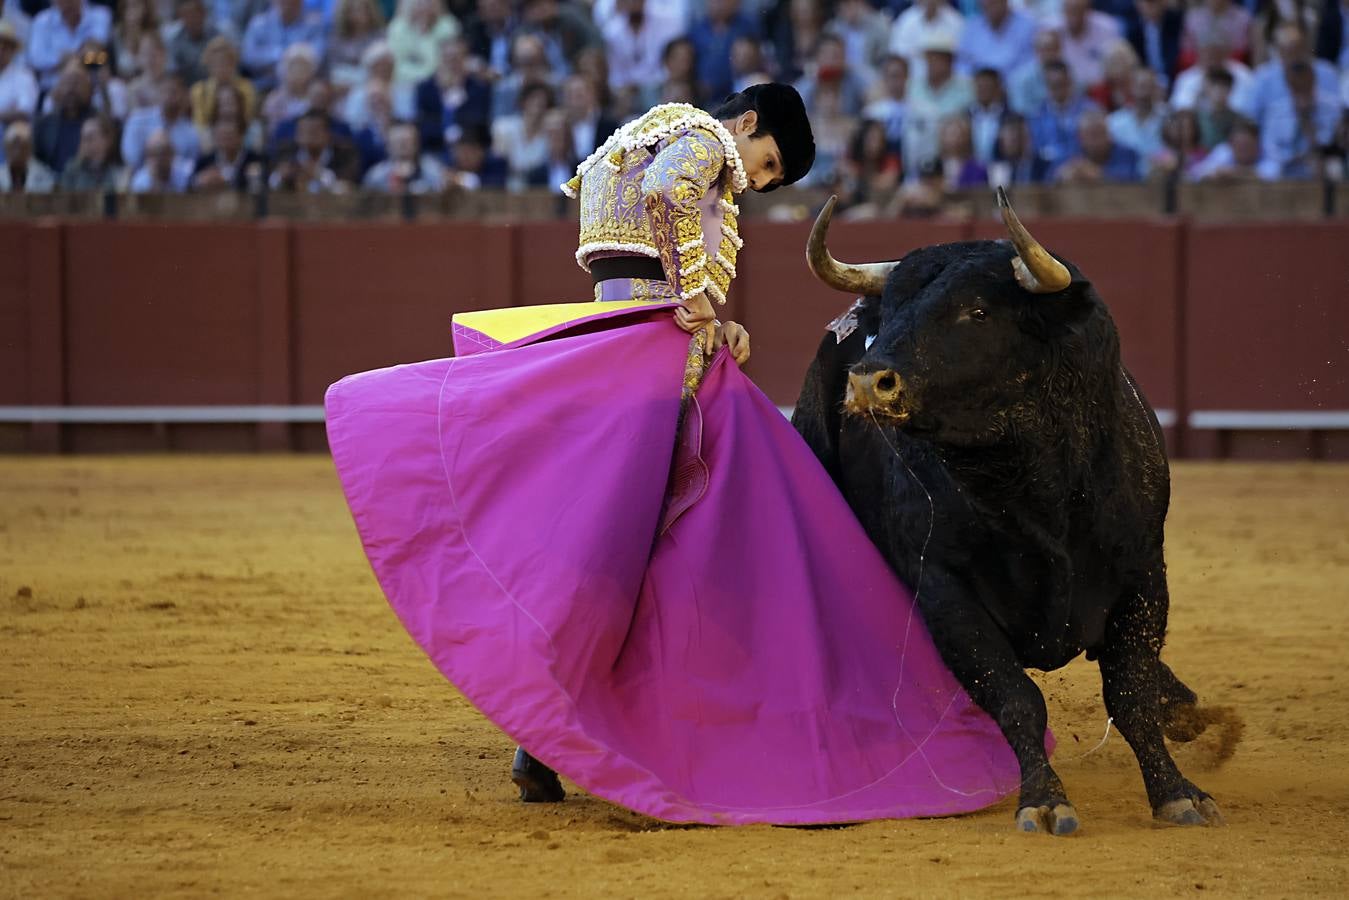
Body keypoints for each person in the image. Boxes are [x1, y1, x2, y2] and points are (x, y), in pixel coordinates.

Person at [1, 120, 58, 192]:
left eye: (23, 147)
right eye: (14, 146)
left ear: (30, 148)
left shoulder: (45, 175)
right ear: (6, 148)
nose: (18, 152)